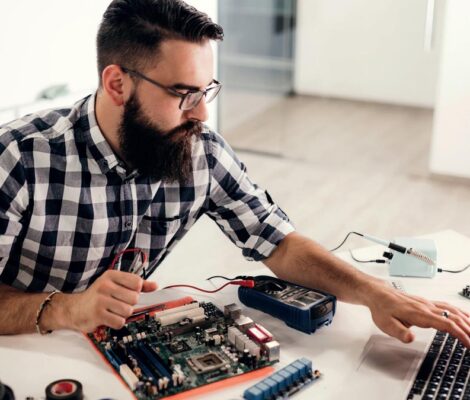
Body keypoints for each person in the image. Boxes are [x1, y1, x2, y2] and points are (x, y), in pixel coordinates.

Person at [0, 0, 468, 348]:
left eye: (207, 90)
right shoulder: (18, 158)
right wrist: (67, 308)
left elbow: (279, 242)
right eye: (184, 93)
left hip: (113, 354)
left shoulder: (197, 150)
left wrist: (375, 293)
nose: (202, 113)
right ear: (117, 83)